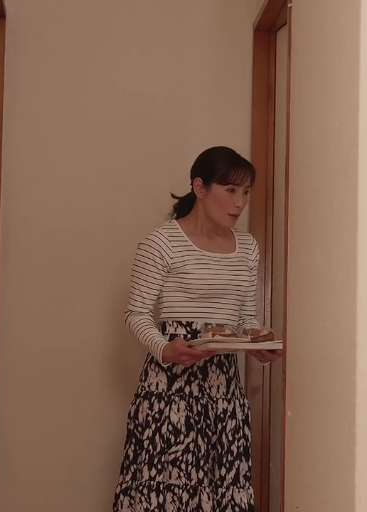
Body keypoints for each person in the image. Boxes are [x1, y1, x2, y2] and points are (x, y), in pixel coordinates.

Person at [113, 146, 282, 511]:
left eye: (246, 192)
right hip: (170, 387)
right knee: (164, 492)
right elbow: (136, 313)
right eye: (230, 190)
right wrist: (165, 349)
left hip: (224, 388)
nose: (240, 202)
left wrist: (259, 343)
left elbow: (244, 319)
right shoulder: (161, 242)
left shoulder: (247, 248)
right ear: (200, 187)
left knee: (224, 488)